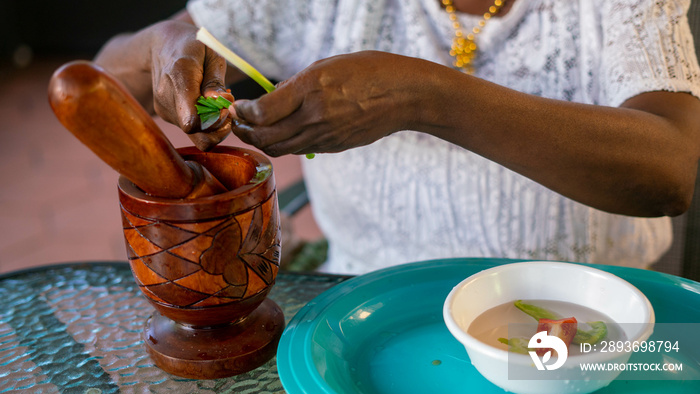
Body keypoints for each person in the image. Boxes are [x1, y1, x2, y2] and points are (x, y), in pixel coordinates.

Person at [95, 0, 700, 275]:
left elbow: (669, 171)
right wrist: (164, 43)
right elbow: (105, 75)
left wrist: (423, 97)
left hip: (589, 328)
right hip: (361, 314)